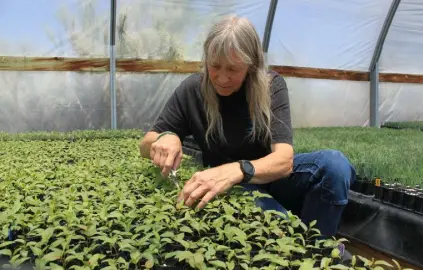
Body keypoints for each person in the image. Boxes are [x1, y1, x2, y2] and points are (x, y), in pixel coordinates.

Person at [139, 14, 356, 242]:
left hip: (266, 176)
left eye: (233, 69)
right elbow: (145, 144)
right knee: (280, 231)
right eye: (215, 66)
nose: (222, 78)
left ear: (251, 66)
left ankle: (320, 247)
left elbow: (284, 160)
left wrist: (237, 169)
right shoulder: (193, 90)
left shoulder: (270, 86)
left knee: (335, 166)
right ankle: (297, 247)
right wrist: (165, 136)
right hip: (228, 186)